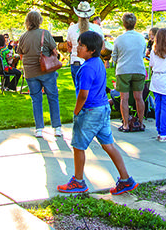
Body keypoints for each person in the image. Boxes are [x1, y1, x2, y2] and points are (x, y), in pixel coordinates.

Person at [57, 30, 137, 195]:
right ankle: (125, 179)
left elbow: (83, 94)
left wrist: (76, 111)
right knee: (108, 144)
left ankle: (78, 181)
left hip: (90, 111)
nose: (77, 48)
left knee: (78, 146)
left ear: (91, 50)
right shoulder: (99, 63)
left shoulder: (86, 68)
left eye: (81, 45)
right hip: (102, 109)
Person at [17, 10, 62, 138]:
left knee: (36, 99)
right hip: (46, 70)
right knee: (53, 97)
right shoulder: (45, 34)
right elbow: (55, 51)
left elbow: (21, 55)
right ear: (39, 21)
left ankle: (39, 129)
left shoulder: (23, 36)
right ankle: (57, 127)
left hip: (30, 72)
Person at [110, 12, 147, 132]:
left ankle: (125, 124)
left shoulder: (119, 39)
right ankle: (140, 123)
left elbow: (114, 57)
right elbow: (142, 54)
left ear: (123, 24)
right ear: (135, 23)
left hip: (123, 70)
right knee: (139, 98)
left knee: (124, 99)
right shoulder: (141, 38)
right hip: (138, 69)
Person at [66, 2, 104, 90]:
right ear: (89, 15)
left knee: (80, 91)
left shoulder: (71, 29)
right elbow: (102, 47)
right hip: (93, 63)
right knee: (94, 91)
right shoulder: (97, 29)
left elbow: (69, 47)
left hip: (76, 63)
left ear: (78, 15)